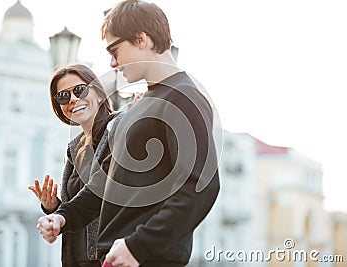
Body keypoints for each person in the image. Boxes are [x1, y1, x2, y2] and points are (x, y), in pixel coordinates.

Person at [37, 1, 221, 267]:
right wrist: (63, 216)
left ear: (141, 39)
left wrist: (138, 246)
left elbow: (200, 187)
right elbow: (104, 187)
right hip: (117, 258)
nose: (112, 63)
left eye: (115, 50)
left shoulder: (184, 98)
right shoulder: (139, 108)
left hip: (147, 259)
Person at [29, 64, 122, 267]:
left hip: (111, 256)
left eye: (80, 90)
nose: (72, 99)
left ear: (98, 93)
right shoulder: (74, 147)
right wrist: (53, 207)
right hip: (77, 259)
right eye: (63, 96)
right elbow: (79, 210)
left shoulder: (121, 128)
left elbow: (102, 194)